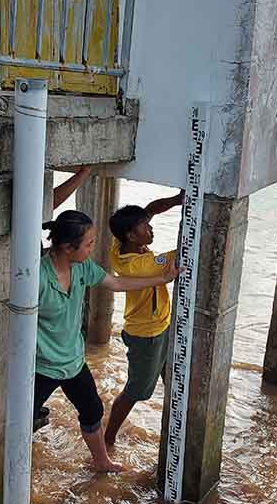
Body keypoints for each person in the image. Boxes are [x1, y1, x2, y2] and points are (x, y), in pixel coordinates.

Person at [35, 209, 179, 472]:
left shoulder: (82, 267)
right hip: (40, 366)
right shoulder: (37, 277)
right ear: (68, 247)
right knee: (20, 419)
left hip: (73, 361)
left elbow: (115, 283)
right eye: (89, 244)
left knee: (92, 411)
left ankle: (102, 461)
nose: (92, 249)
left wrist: (163, 278)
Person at [103, 191, 185, 448]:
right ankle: (108, 439)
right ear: (131, 235)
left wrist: (175, 200)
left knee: (173, 378)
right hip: (147, 335)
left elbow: (149, 208)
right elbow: (184, 251)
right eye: (145, 227)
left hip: (161, 325)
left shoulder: (120, 246)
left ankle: (173, 435)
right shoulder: (142, 265)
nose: (150, 229)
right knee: (136, 391)